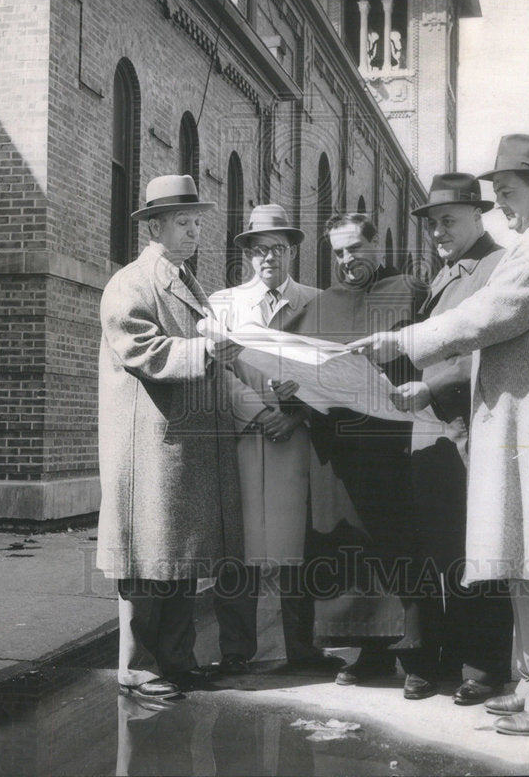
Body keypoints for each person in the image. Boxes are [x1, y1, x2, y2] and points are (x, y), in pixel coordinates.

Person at [352, 135, 529, 735]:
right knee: (526, 558)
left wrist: (404, 340)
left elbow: (494, 312)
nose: (504, 206)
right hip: (525, 424)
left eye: (509, 193)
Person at [96, 174, 244, 703]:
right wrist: (204, 352)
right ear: (153, 226)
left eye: (198, 222)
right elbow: (140, 348)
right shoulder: (131, 282)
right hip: (149, 447)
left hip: (177, 444)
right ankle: (136, 667)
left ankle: (177, 659)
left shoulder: (181, 278)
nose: (194, 231)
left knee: (179, 555)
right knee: (144, 558)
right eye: (183, 222)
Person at [285, 212, 428, 695]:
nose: (347, 260)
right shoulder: (322, 305)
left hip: (396, 445)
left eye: (355, 249)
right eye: (339, 252)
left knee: (401, 547)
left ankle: (417, 652)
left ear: (376, 245)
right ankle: (366, 652)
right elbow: (295, 375)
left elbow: (436, 358)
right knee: (351, 554)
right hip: (339, 453)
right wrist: (286, 387)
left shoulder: (409, 291)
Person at [390, 173, 514, 703]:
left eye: (448, 221)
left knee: (474, 547)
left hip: (471, 428)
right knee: (439, 548)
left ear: (476, 216)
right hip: (432, 431)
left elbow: (486, 347)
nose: (438, 232)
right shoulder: (446, 273)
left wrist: (429, 384)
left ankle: (483, 665)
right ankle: (444, 654)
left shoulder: (496, 267)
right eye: (432, 223)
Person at [208, 204, 344, 675]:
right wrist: (262, 412)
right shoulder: (222, 304)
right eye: (260, 249)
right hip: (246, 436)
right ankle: (236, 650)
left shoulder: (319, 302)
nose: (269, 258)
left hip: (298, 439)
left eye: (279, 249)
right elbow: (218, 373)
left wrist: (299, 411)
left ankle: (302, 648)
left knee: (297, 546)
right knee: (238, 546)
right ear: (247, 253)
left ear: (292, 252)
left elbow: (333, 372)